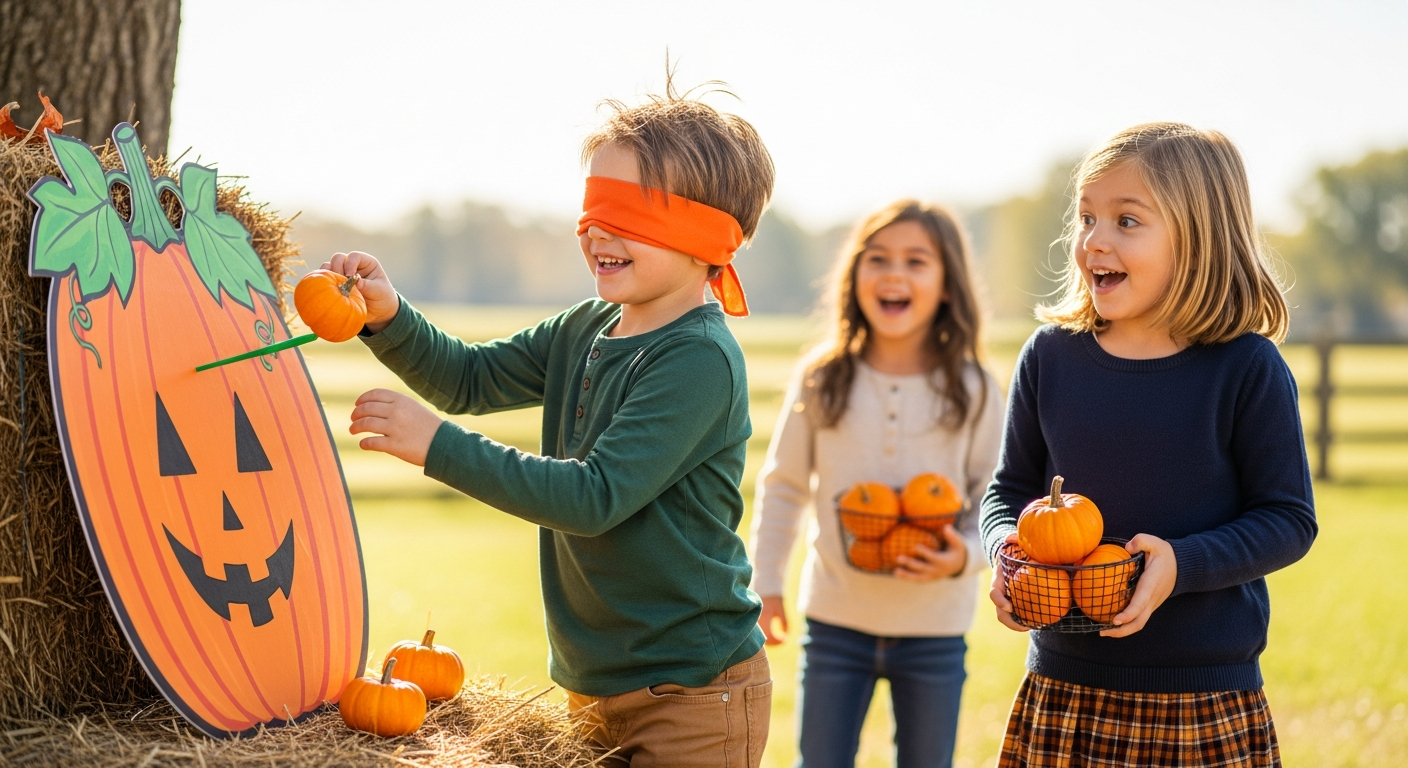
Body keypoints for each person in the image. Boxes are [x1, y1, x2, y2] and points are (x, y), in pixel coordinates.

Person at [327, 84, 776, 766]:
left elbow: (592, 497)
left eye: (628, 213)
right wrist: (389, 317)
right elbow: (468, 379)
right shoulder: (584, 327)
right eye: (593, 208)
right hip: (595, 683)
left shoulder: (699, 360)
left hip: (693, 694)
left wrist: (438, 447)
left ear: (705, 234)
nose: (597, 230)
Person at [980, 122, 1318, 767]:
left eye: (1126, 221)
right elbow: (1008, 492)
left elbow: (1288, 519)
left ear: (1199, 240)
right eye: (1086, 218)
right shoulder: (1051, 358)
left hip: (1201, 696)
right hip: (1064, 686)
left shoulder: (1245, 368)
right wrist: (1007, 551)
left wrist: (1180, 563)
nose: (1095, 241)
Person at [750, 201, 1004, 768]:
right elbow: (786, 485)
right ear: (854, 274)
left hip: (935, 630)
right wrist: (766, 583)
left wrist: (963, 554)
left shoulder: (975, 387)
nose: (894, 274)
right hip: (837, 623)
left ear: (946, 284)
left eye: (916, 261)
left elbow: (995, 496)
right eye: (878, 259)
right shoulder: (824, 376)